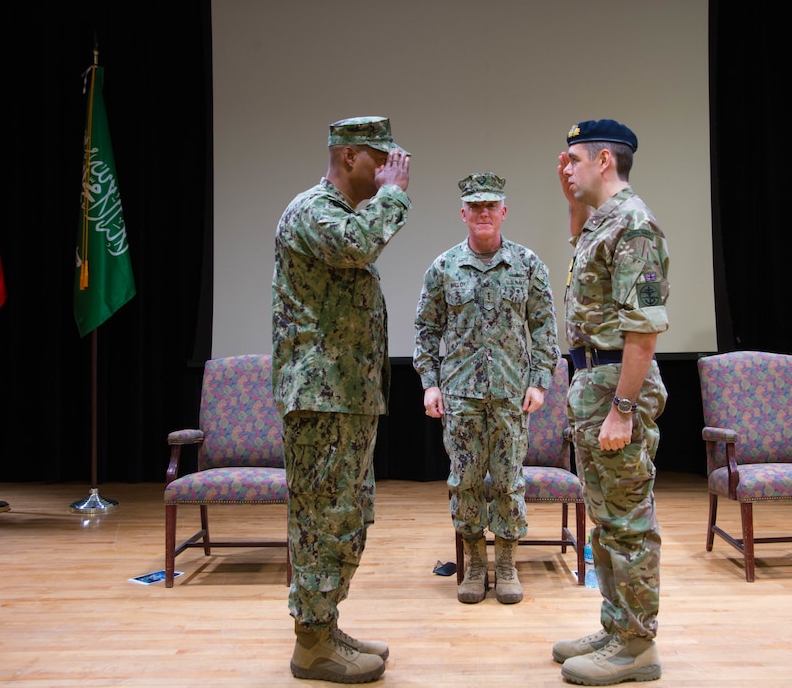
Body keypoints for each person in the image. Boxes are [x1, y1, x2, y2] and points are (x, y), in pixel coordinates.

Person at [271, 116, 411, 684]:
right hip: (321, 399)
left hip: (346, 396)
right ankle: (311, 644)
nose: (390, 171)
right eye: (381, 160)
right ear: (349, 156)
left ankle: (325, 626)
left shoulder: (343, 211)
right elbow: (359, 244)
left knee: (345, 514)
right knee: (322, 516)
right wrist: (396, 197)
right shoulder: (314, 211)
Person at [552, 120, 670, 685]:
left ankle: (637, 646)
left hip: (615, 388)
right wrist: (571, 203)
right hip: (592, 384)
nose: (566, 167)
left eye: (574, 158)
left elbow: (643, 331)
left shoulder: (636, 226)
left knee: (628, 521)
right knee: (604, 519)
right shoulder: (602, 222)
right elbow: (588, 274)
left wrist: (623, 409)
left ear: (604, 160)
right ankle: (615, 624)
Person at [413, 172, 559, 605]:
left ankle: (508, 563)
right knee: (466, 481)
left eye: (490, 206)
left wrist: (540, 381)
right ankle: (476, 563)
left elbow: (544, 328)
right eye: (474, 207)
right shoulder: (443, 268)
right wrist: (429, 384)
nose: (482, 213)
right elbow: (426, 329)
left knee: (509, 480)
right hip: (460, 396)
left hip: (513, 394)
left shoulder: (528, 264)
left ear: (503, 212)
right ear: (463, 213)